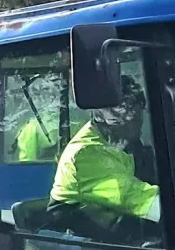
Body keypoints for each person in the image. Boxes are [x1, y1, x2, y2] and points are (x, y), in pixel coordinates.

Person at [48, 77, 159, 236]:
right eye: (127, 112)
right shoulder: (87, 154)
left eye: (137, 111)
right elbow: (138, 199)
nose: (137, 120)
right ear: (101, 115)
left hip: (107, 237)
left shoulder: (122, 143)